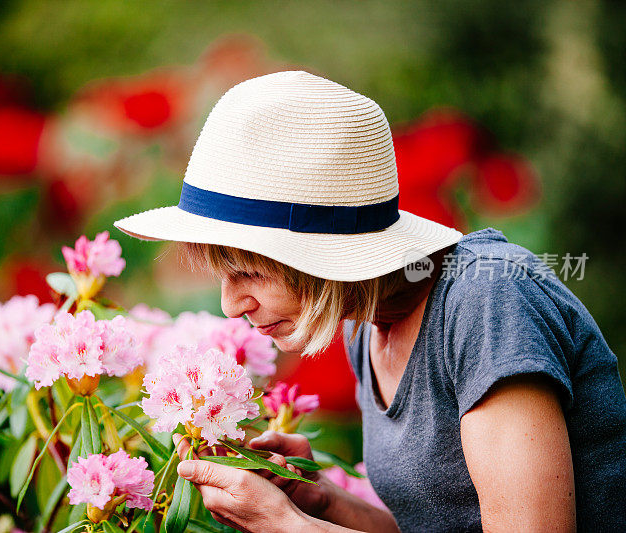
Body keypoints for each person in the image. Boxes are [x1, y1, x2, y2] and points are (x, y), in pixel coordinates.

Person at [114, 71, 626, 532]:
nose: (230, 305)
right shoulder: (367, 322)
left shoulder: (487, 299)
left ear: (324, 255)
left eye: (249, 272)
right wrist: (320, 502)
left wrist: (288, 528)